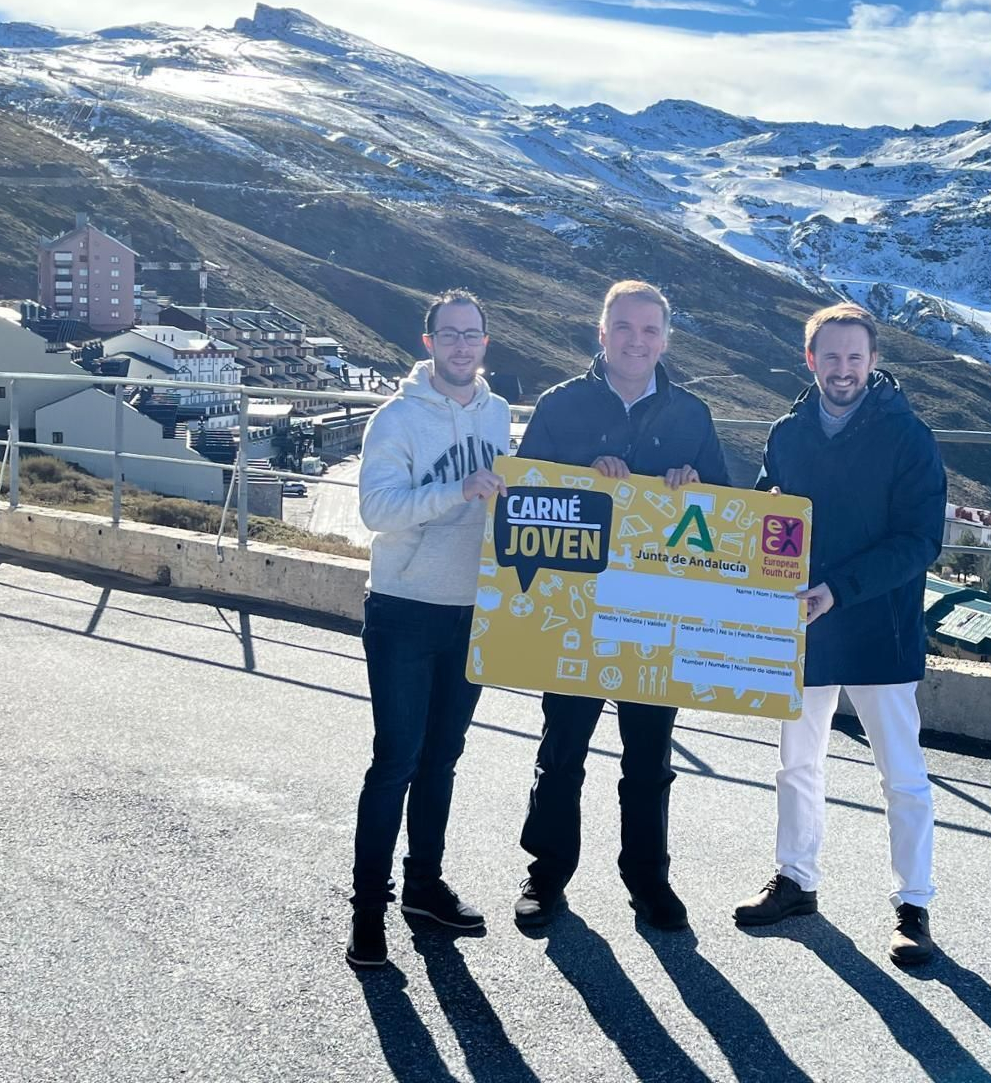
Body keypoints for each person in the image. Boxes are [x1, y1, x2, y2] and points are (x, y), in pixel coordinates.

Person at [733, 302, 947, 967]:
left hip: (877, 627)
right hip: (805, 627)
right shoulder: (788, 432)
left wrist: (839, 589)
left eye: (855, 356)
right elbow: (771, 515)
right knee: (797, 762)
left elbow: (919, 542)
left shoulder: (908, 437)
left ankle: (913, 907)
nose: (843, 368)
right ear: (811, 360)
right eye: (831, 355)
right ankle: (795, 880)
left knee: (902, 775)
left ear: (873, 361)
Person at [514, 279, 730, 932]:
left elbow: (725, 514)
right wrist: (582, 480)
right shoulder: (560, 406)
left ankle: (648, 879)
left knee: (649, 757)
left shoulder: (692, 415)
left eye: (650, 330)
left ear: (665, 339)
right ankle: (546, 874)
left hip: (654, 615)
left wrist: (693, 489)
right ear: (601, 333)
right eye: (625, 328)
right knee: (562, 749)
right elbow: (525, 504)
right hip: (573, 610)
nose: (637, 341)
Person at [346, 289, 511, 969]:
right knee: (396, 761)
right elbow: (376, 510)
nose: (462, 346)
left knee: (442, 757)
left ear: (484, 344)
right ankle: (367, 910)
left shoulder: (500, 414)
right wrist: (459, 491)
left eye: (472, 335)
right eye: (450, 335)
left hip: (471, 611)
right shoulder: (397, 419)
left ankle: (425, 887)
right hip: (405, 609)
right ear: (429, 343)